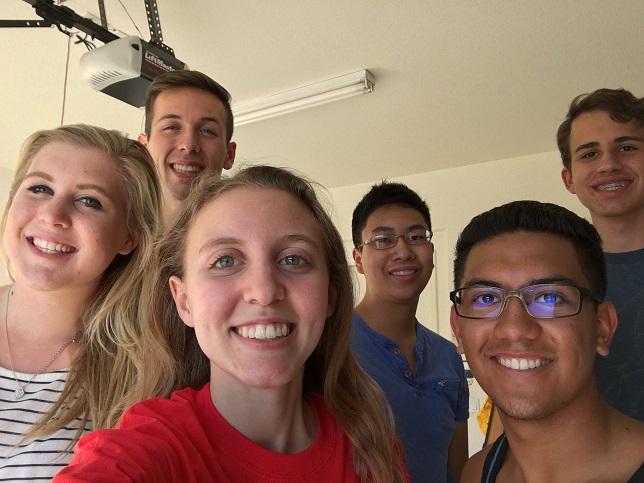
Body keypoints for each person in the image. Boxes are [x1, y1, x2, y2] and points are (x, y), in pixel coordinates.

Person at [55, 166, 407, 483]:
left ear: (330, 294)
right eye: (225, 260)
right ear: (184, 300)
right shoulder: (144, 452)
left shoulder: (371, 446)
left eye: (294, 259)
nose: (264, 291)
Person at [0, 125, 173, 480]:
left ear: (129, 236)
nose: (52, 214)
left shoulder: (144, 377)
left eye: (89, 201)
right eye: (39, 188)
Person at [450, 200, 644, 482]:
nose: (514, 329)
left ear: (602, 327)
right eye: (486, 298)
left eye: (549, 298)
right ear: (458, 329)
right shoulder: (476, 474)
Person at [350, 182, 469, 483]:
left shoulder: (448, 357)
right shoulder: (326, 347)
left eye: (416, 237)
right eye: (382, 239)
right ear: (358, 259)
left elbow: (456, 470)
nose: (402, 251)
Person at [558, 88, 644, 422]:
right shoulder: (554, 276)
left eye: (626, 147)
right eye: (589, 154)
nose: (609, 164)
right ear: (569, 179)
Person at [138, 69, 237, 226]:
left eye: (207, 131)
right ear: (143, 148)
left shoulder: (251, 240)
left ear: (229, 155)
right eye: (171, 127)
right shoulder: (110, 235)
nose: (188, 145)